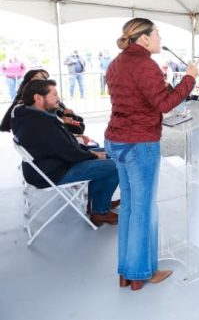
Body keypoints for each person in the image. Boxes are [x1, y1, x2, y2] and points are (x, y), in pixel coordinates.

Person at [104, 18, 198, 291]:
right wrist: (189, 78)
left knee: (130, 208)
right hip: (139, 142)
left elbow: (139, 97)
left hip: (116, 138)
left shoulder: (117, 63)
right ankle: (142, 272)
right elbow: (165, 104)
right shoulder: (145, 64)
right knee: (144, 210)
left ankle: (126, 271)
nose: (159, 38)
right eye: (157, 33)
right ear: (143, 38)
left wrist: (165, 81)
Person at [11, 79, 119, 225]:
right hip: (54, 172)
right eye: (54, 95)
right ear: (38, 98)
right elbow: (70, 153)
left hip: (50, 164)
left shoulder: (28, 115)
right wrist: (92, 155)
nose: (58, 98)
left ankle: (98, 203)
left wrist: (90, 152)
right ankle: (99, 212)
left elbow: (65, 146)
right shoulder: (41, 124)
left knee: (109, 153)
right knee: (115, 166)